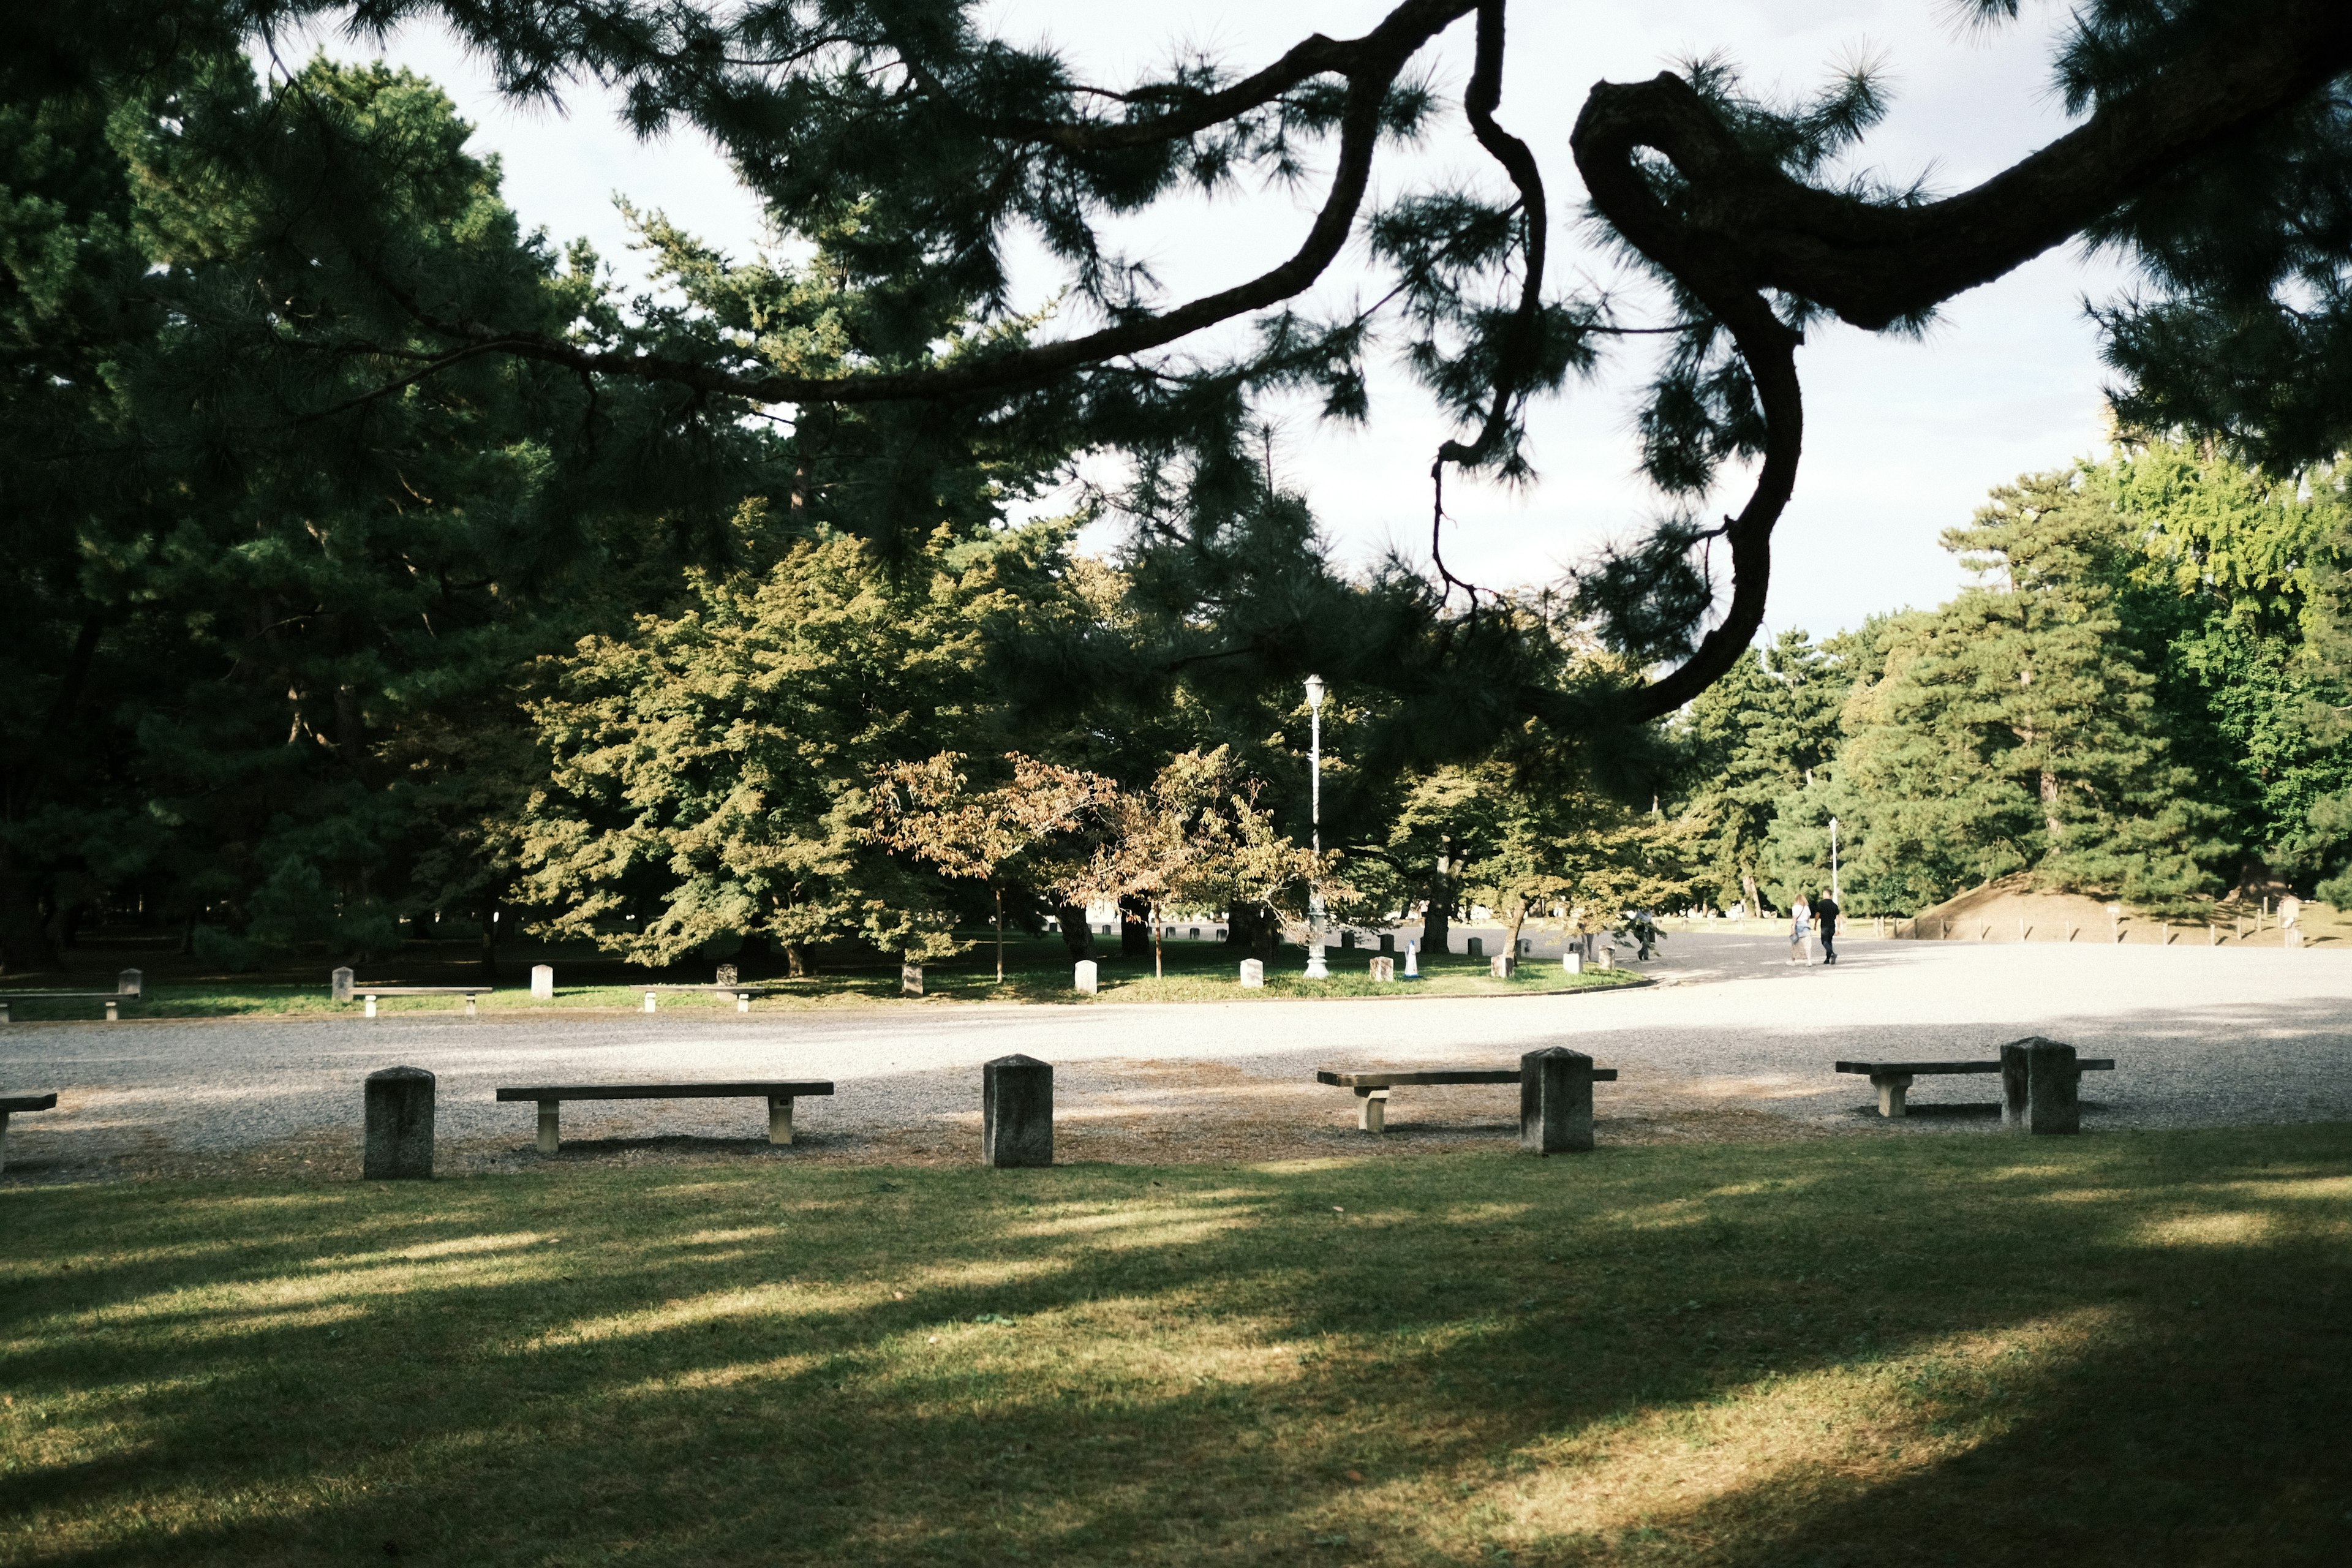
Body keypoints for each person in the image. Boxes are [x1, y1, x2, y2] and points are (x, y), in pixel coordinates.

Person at [1815, 889, 1840, 965]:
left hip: (1825, 926)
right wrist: (1839, 927)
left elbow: (1818, 914)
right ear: (1831, 895)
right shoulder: (1834, 905)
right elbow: (1838, 917)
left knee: (1824, 941)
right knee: (1829, 941)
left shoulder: (1821, 903)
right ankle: (1827, 959)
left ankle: (1832, 954)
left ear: (1825, 894)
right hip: (1832, 926)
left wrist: (1815, 923)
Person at [1788, 892, 1812, 965]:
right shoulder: (1806, 908)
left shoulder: (1795, 907)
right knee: (1807, 945)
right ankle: (1809, 961)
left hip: (1798, 926)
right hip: (1805, 927)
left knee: (1795, 944)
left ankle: (1793, 961)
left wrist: (1793, 928)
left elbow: (1794, 918)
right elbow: (1808, 918)